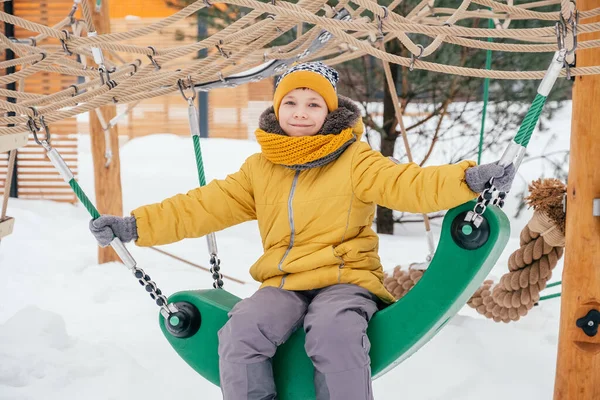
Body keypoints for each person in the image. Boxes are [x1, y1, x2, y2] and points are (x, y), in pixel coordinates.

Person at [89, 62, 515, 400]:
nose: (301, 112)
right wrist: (135, 226)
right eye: (291, 102)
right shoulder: (260, 169)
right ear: (277, 109)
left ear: (331, 111)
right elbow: (202, 207)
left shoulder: (355, 159)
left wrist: (468, 180)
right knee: (240, 331)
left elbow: (407, 184)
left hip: (344, 280)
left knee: (334, 331)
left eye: (313, 104)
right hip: (284, 283)